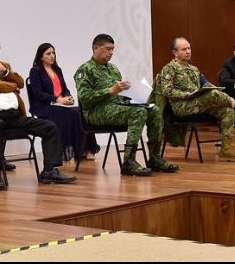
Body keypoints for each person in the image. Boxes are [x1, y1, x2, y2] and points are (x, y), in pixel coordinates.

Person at [0, 37, 76, 190]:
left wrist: (4, 72)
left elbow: (20, 82)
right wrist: (11, 86)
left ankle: (49, 171)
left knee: (49, 127)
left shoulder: (2, 67)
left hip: (13, 116)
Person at [74, 33, 178, 177]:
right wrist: (110, 90)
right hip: (96, 112)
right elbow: (84, 97)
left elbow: (119, 96)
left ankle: (155, 158)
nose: (111, 52)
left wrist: (132, 94)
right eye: (107, 49)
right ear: (96, 48)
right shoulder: (85, 70)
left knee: (154, 110)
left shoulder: (113, 69)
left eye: (112, 49)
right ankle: (129, 162)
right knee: (138, 113)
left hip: (116, 108)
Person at [159, 37, 235, 162]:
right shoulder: (169, 69)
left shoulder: (194, 69)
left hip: (199, 104)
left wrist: (228, 97)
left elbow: (207, 85)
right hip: (183, 107)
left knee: (227, 110)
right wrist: (188, 94)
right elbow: (167, 91)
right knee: (212, 94)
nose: (188, 51)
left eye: (189, 48)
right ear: (175, 52)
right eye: (184, 49)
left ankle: (226, 150)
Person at [28, 43, 100, 162]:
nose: (52, 56)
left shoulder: (57, 69)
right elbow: (38, 93)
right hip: (44, 106)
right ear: (41, 57)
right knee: (72, 114)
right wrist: (57, 99)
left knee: (81, 112)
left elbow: (64, 88)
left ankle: (87, 149)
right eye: (48, 54)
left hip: (60, 104)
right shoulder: (35, 71)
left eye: (53, 53)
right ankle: (77, 150)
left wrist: (68, 96)